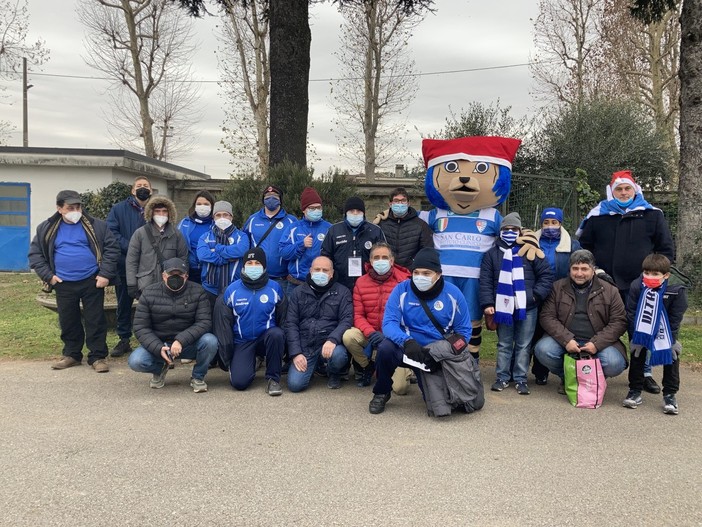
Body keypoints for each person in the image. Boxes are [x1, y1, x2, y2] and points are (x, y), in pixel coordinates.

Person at [578, 170, 675, 393]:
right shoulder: (597, 215)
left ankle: (644, 374)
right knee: (599, 326)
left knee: (641, 330)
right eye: (618, 189)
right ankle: (592, 369)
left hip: (642, 285)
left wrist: (655, 275)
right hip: (604, 283)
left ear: (635, 190)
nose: (623, 192)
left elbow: (666, 250)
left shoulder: (652, 214)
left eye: (627, 188)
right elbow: (585, 247)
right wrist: (596, 270)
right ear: (611, 192)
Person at [369, 248, 474, 416]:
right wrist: (406, 341)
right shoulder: (401, 290)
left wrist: (441, 352)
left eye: (426, 273)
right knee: (385, 349)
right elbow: (389, 323)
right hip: (408, 348)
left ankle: (430, 384)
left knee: (440, 407)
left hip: (436, 354)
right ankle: (381, 392)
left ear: (438, 274)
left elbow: (465, 332)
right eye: (416, 272)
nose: (420, 277)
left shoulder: (453, 294)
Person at [28, 190, 120, 372]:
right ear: (59, 209)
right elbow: (35, 254)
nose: (75, 210)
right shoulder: (46, 228)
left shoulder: (97, 226)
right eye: (70, 207)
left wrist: (105, 274)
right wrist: (49, 276)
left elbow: (112, 248)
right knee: (68, 319)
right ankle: (71, 354)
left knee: (95, 320)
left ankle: (98, 357)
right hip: (63, 282)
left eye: (78, 207)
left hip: (92, 280)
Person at [480, 212, 553, 395]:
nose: (510, 232)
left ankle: (521, 378)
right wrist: (488, 303)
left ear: (520, 231)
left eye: (514, 229)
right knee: (504, 344)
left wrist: (535, 296)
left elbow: (545, 276)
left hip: (527, 307)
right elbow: (486, 280)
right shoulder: (492, 254)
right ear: (500, 231)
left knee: (523, 344)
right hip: (503, 307)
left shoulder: (530, 251)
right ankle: (502, 377)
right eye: (506, 229)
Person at [534, 249, 628, 391]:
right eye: (575, 268)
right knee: (543, 350)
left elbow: (619, 321)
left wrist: (596, 344)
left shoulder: (610, 290)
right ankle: (567, 376)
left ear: (593, 270)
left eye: (584, 269)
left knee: (614, 363)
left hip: (597, 343)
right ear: (569, 269)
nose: (579, 273)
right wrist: (566, 340)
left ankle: (592, 379)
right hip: (565, 341)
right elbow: (547, 316)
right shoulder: (557, 287)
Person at [128, 258, 218, 392]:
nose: (175, 278)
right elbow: (141, 327)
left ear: (186, 276)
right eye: (171, 275)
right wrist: (158, 348)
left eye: (179, 275)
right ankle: (160, 368)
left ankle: (198, 377)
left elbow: (204, 322)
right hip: (160, 344)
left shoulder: (198, 291)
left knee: (210, 341)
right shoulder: (148, 293)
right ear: (164, 276)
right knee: (136, 361)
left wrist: (181, 340)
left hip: (188, 344)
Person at [214, 247, 286, 396]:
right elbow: (224, 326)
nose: (253, 266)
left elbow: (284, 319)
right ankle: (248, 364)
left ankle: (273, 379)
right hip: (242, 341)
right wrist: (226, 357)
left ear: (264, 266)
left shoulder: (275, 288)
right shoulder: (231, 291)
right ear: (244, 266)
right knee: (239, 383)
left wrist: (287, 350)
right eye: (250, 263)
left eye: (257, 263)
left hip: (266, 339)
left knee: (277, 334)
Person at [623, 254, 687, 414]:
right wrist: (636, 335)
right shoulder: (637, 286)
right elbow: (630, 311)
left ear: (666, 275)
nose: (650, 277)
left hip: (666, 331)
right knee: (637, 353)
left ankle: (670, 394)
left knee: (671, 354)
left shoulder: (676, 289)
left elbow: (675, 316)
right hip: (642, 328)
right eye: (647, 273)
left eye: (655, 274)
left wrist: (671, 339)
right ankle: (635, 390)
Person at [341, 242, 411, 389]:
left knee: (400, 389)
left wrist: (390, 334)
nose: (381, 261)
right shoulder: (361, 282)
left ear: (392, 261)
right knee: (348, 336)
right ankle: (368, 366)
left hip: (395, 337)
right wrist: (371, 333)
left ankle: (401, 368)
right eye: (377, 257)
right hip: (370, 333)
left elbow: (408, 317)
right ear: (371, 261)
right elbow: (358, 314)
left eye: (385, 257)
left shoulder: (404, 282)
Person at [285, 256, 353, 392]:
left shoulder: (343, 292)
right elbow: (291, 323)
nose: (321, 273)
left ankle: (333, 372)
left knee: (339, 355)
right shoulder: (298, 292)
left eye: (325, 270)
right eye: (317, 269)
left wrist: (333, 339)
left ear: (332, 273)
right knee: (295, 385)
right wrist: (296, 353)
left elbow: (347, 319)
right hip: (306, 346)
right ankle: (314, 366)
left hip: (329, 344)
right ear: (310, 271)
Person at [531, 207, 581, 385]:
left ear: (560, 224)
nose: (550, 226)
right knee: (533, 332)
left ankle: (563, 371)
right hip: (535, 293)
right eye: (546, 222)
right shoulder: (531, 241)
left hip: (560, 295)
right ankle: (538, 372)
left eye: (554, 222)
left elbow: (580, 267)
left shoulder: (572, 245)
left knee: (553, 331)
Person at [106, 176, 151, 357]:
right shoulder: (118, 209)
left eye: (145, 186)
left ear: (151, 190)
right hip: (125, 265)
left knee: (149, 304)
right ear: (132, 190)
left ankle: (149, 340)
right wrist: (132, 248)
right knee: (124, 304)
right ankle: (124, 339)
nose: (142, 188)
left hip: (149, 266)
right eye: (138, 186)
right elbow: (112, 233)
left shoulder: (156, 209)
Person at [125, 195, 189, 299]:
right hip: (146, 285)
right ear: (151, 213)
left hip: (171, 285)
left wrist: (182, 280)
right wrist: (132, 284)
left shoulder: (176, 234)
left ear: (169, 213)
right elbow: (131, 261)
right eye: (157, 211)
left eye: (164, 211)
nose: (161, 214)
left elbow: (184, 259)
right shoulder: (140, 233)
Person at [321, 196, 385, 291]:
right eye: (351, 211)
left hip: (368, 285)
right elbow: (325, 256)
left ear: (363, 213)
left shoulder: (375, 231)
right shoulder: (334, 230)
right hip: (339, 284)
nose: (355, 213)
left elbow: (383, 255)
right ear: (346, 213)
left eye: (358, 211)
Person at [279, 186, 331, 297]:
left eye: (319, 207)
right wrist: (301, 245)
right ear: (304, 210)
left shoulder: (329, 229)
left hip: (322, 284)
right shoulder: (293, 228)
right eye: (312, 208)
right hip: (296, 284)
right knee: (293, 314)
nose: (316, 211)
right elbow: (283, 252)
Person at [196, 200, 250, 308]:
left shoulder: (241, 236)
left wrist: (217, 248)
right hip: (210, 289)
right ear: (213, 218)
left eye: (225, 215)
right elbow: (202, 255)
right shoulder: (205, 237)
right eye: (218, 215)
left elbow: (241, 251)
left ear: (231, 217)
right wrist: (225, 258)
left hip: (234, 287)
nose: (222, 218)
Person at [243, 185, 296, 290]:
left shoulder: (291, 221)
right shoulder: (252, 219)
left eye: (275, 196)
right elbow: (245, 245)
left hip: (283, 278)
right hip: (257, 276)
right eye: (267, 196)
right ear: (263, 199)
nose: (271, 198)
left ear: (280, 199)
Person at [374, 187, 434, 269]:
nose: (400, 203)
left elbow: (427, 250)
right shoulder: (381, 223)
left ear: (408, 203)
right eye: (396, 201)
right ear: (390, 204)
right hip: (387, 272)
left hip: (410, 273)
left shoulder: (421, 225)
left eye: (403, 200)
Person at [177, 190, 215, 285]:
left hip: (210, 270)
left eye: (206, 204)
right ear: (194, 205)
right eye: (199, 204)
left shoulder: (216, 225)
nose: (202, 206)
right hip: (188, 270)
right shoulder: (184, 223)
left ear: (212, 206)